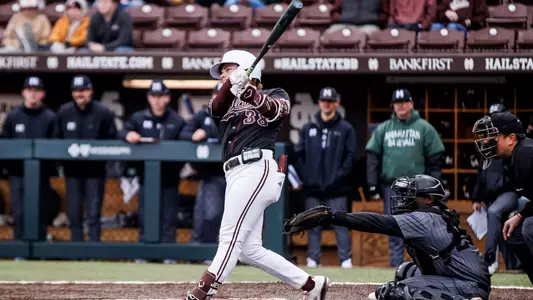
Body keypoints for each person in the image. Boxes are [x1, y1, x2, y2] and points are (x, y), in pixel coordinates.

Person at [184, 50, 329, 300]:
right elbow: (216, 107)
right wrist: (233, 83)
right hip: (234, 173)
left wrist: (249, 91)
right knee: (249, 250)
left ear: (247, 69)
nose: (222, 75)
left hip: (256, 167)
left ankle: (203, 291)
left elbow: (277, 112)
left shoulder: (275, 93)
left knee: (229, 237)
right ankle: (311, 284)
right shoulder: (223, 101)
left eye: (227, 69)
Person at [285, 174, 490, 300]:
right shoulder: (432, 215)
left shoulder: (424, 218)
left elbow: (377, 223)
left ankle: (469, 298)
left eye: (412, 194)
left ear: (428, 199)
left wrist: (333, 216)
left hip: (468, 283)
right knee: (405, 271)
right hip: (459, 274)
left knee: (387, 294)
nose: (405, 198)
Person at [365, 88, 445, 267]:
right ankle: (397, 265)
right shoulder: (384, 128)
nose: (400, 106)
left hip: (418, 189)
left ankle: (423, 266)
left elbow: (435, 159)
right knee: (394, 226)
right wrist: (372, 183)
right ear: (393, 106)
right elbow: (372, 155)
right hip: (392, 186)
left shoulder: (424, 127)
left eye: (403, 103)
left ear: (411, 104)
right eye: (396, 103)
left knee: (421, 227)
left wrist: (434, 187)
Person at [119, 80, 187, 258]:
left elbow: (186, 143)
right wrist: (128, 134)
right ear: (149, 97)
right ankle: (145, 252)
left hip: (169, 178)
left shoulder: (177, 120)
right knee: (146, 215)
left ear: (168, 98)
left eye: (161, 96)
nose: (157, 101)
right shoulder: (138, 118)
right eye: (154, 96)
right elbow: (122, 132)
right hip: (146, 178)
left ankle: (168, 254)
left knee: (169, 218)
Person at [295, 86, 356, 268]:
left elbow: (350, 157)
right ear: (319, 102)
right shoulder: (308, 127)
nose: (327, 104)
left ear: (336, 103)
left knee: (340, 224)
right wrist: (307, 178)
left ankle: (345, 260)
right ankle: (313, 260)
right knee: (313, 223)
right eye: (324, 101)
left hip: (337, 188)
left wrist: (338, 178)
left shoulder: (346, 128)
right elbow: (300, 155)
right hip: (313, 188)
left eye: (330, 101)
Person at [472, 111, 533, 283]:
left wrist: (524, 217)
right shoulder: (512, 158)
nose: (486, 141)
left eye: (492, 136)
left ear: (511, 138)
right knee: (515, 234)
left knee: (529, 227)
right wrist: (520, 215)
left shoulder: (527, 155)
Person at [56, 75, 117, 242]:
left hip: (95, 171)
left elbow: (112, 140)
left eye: (83, 90)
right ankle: (77, 250)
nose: (79, 94)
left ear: (90, 91)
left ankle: (93, 251)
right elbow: (56, 140)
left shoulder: (102, 112)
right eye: (76, 91)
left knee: (93, 214)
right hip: (72, 171)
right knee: (74, 214)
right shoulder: (64, 111)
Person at [1, 76, 57, 245]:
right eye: (30, 90)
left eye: (37, 91)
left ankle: (39, 247)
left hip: (41, 174)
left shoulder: (50, 117)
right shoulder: (13, 116)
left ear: (43, 94)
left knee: (39, 212)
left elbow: (55, 145)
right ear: (23, 93)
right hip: (18, 174)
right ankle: (20, 248)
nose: (33, 94)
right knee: (19, 212)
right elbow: (5, 143)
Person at [471, 103, 519, 274]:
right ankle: (513, 266)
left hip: (509, 192)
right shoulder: (486, 143)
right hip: (491, 195)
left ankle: (490, 259)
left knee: (494, 213)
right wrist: (476, 197)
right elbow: (481, 173)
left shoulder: (509, 141)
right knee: (502, 230)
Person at [185, 83, 226, 249]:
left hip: (233, 173)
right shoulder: (203, 115)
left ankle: (214, 250)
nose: (219, 97)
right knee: (205, 214)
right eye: (217, 94)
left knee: (223, 217)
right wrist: (195, 135)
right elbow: (184, 133)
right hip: (210, 173)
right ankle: (202, 248)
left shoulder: (237, 116)